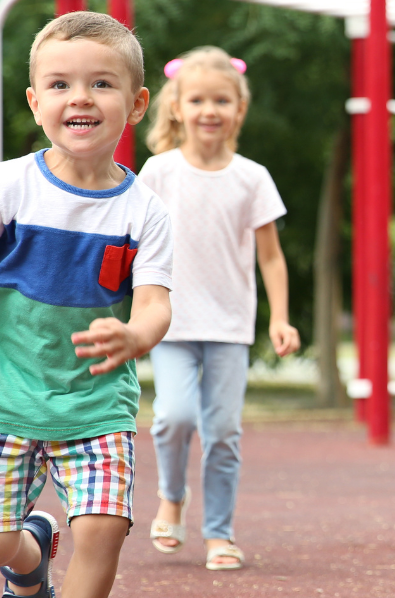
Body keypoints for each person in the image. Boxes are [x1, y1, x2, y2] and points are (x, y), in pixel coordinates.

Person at [0, 11, 173, 598]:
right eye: (60, 84)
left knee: (103, 531)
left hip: (95, 404)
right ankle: (29, 560)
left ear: (138, 102)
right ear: (33, 101)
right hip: (2, 395)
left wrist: (137, 335)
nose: (82, 97)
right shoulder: (0, 187)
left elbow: (153, 303)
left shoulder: (145, 211)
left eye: (102, 83)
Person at [139, 47, 301, 571]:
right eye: (199, 99)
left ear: (239, 110)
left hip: (230, 325)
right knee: (173, 416)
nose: (211, 110)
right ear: (177, 108)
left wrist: (279, 317)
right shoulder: (158, 172)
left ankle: (219, 535)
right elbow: (133, 243)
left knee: (224, 433)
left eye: (222, 101)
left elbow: (271, 258)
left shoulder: (252, 177)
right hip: (170, 321)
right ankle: (171, 496)